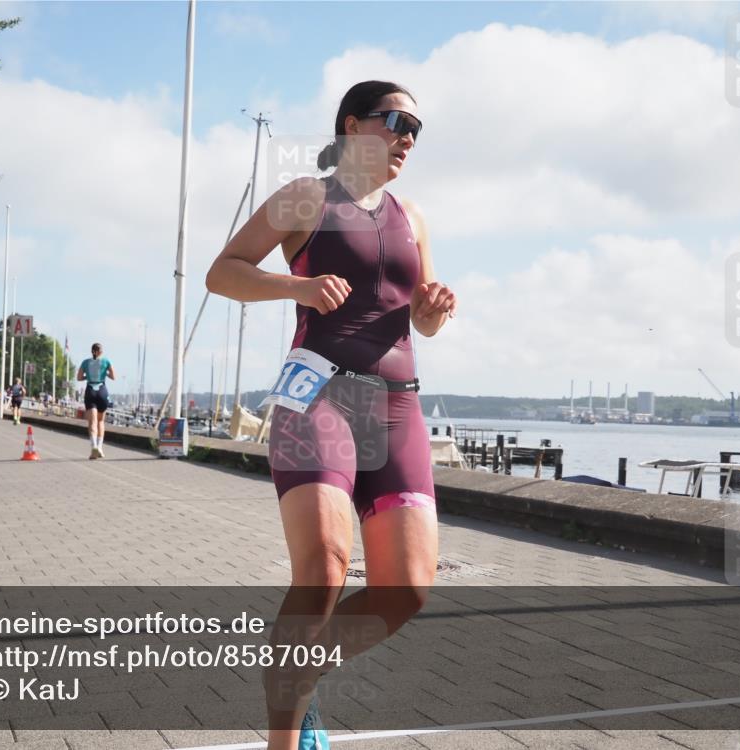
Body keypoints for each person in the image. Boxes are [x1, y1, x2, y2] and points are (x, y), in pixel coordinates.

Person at [206, 80, 456, 750]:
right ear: (352, 126)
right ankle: (283, 741)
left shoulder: (413, 217)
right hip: (316, 396)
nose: (407, 136)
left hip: (396, 408)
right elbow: (222, 273)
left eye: (416, 128)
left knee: (405, 590)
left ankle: (300, 673)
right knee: (323, 568)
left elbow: (420, 321)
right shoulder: (305, 197)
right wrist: (297, 286)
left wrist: (431, 312)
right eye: (396, 120)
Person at [76, 342, 116, 459]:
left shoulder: (85, 362)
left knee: (92, 421)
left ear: (92, 351)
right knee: (101, 421)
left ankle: (93, 445)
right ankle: (99, 447)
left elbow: (78, 378)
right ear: (100, 352)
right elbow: (114, 377)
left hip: (90, 391)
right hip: (102, 391)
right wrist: (105, 373)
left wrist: (87, 376)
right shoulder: (106, 361)